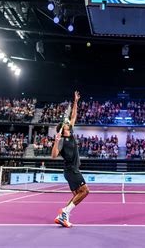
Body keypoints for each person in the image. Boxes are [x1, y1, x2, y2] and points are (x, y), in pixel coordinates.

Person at [52, 91, 89, 228]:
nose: (69, 123)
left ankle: (60, 217)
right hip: (70, 170)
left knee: (76, 195)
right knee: (85, 191)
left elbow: (73, 115)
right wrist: (56, 141)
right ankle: (65, 212)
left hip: (72, 170)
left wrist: (76, 102)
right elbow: (54, 156)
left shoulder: (71, 132)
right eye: (66, 124)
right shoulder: (61, 140)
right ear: (63, 128)